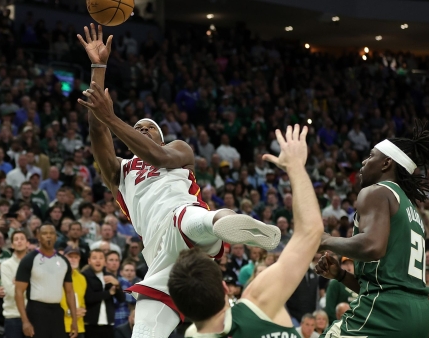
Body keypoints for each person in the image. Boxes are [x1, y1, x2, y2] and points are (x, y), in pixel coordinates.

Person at [77, 24, 280, 338]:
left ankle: (241, 227)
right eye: (138, 127)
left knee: (201, 220)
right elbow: (97, 129)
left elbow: (155, 156)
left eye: (149, 128)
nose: (142, 129)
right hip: (159, 252)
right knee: (145, 328)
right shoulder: (122, 170)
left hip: (181, 217)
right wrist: (99, 67)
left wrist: (114, 119)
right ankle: (229, 227)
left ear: (161, 136)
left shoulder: (179, 149)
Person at [169, 125, 324, 337]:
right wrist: (295, 165)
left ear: (182, 312)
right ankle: (214, 218)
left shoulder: (193, 335)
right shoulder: (258, 301)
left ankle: (210, 220)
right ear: (224, 288)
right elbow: (310, 231)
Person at [316, 121, 429, 338]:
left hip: (387, 312)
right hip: (420, 315)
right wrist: (340, 275)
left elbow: (372, 247)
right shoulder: (411, 209)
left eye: (370, 156)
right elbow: (388, 283)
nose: (364, 162)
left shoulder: (377, 191)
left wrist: (325, 240)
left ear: (386, 163)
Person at [14, 224, 78, 338]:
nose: (48, 236)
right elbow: (18, 292)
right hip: (36, 311)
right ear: (39, 236)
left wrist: (74, 320)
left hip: (57, 311)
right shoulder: (29, 260)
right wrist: (25, 321)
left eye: (51, 233)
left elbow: (69, 292)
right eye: (44, 233)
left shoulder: (63, 261)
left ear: (56, 237)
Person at [82, 249, 125, 338]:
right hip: (90, 324)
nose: (98, 261)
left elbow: (122, 299)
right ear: (89, 261)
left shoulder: (110, 277)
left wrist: (117, 285)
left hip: (108, 324)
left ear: (105, 262)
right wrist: (109, 293)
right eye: (94, 258)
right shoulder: (84, 276)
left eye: (101, 258)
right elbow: (89, 297)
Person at [0, 231, 28, 338]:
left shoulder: (35, 263)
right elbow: (12, 293)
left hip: (32, 315)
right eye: (16, 239)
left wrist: (19, 283)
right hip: (13, 316)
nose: (19, 241)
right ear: (12, 245)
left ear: (27, 243)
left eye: (22, 238)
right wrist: (29, 283)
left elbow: (39, 291)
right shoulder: (5, 265)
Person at [60, 246, 87, 338]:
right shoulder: (57, 276)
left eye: (76, 257)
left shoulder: (82, 278)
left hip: (79, 327)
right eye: (70, 257)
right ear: (64, 258)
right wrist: (69, 312)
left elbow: (82, 301)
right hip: (61, 326)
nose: (73, 260)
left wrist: (82, 309)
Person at [324, 257, 358, 323]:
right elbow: (330, 308)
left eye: (351, 264)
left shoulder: (360, 282)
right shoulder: (335, 283)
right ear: (340, 266)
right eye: (346, 264)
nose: (349, 266)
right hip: (340, 324)